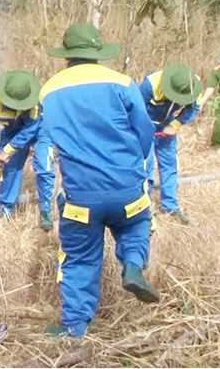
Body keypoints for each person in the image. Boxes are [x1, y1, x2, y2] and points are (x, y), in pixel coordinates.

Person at [37, 23, 158, 338]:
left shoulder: (48, 90)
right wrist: (131, 166)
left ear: (67, 56)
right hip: (126, 189)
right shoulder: (121, 82)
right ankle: (132, 264)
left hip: (81, 198)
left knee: (78, 257)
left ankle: (74, 324)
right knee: (135, 225)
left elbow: (48, 140)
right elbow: (145, 133)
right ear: (97, 54)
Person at [0, 70, 55, 229]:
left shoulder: (35, 103)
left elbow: (31, 129)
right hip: (12, 130)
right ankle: (6, 208)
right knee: (11, 168)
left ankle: (45, 210)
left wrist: (8, 149)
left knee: (45, 168)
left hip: (39, 129)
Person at [139, 64, 202, 225]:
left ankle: (170, 206)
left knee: (169, 165)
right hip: (146, 125)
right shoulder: (150, 84)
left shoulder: (193, 85)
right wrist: (143, 130)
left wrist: (175, 125)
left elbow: (193, 108)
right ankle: (145, 206)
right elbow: (136, 108)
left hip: (167, 127)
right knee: (146, 165)